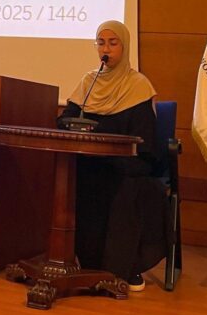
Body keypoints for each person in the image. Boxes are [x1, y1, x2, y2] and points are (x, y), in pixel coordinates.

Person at [58, 19, 167, 292]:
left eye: (112, 43)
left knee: (130, 190)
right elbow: (67, 118)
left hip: (127, 164)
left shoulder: (138, 85)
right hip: (92, 161)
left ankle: (124, 269)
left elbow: (144, 139)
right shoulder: (89, 82)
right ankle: (88, 264)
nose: (105, 49)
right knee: (73, 179)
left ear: (124, 46)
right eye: (101, 43)